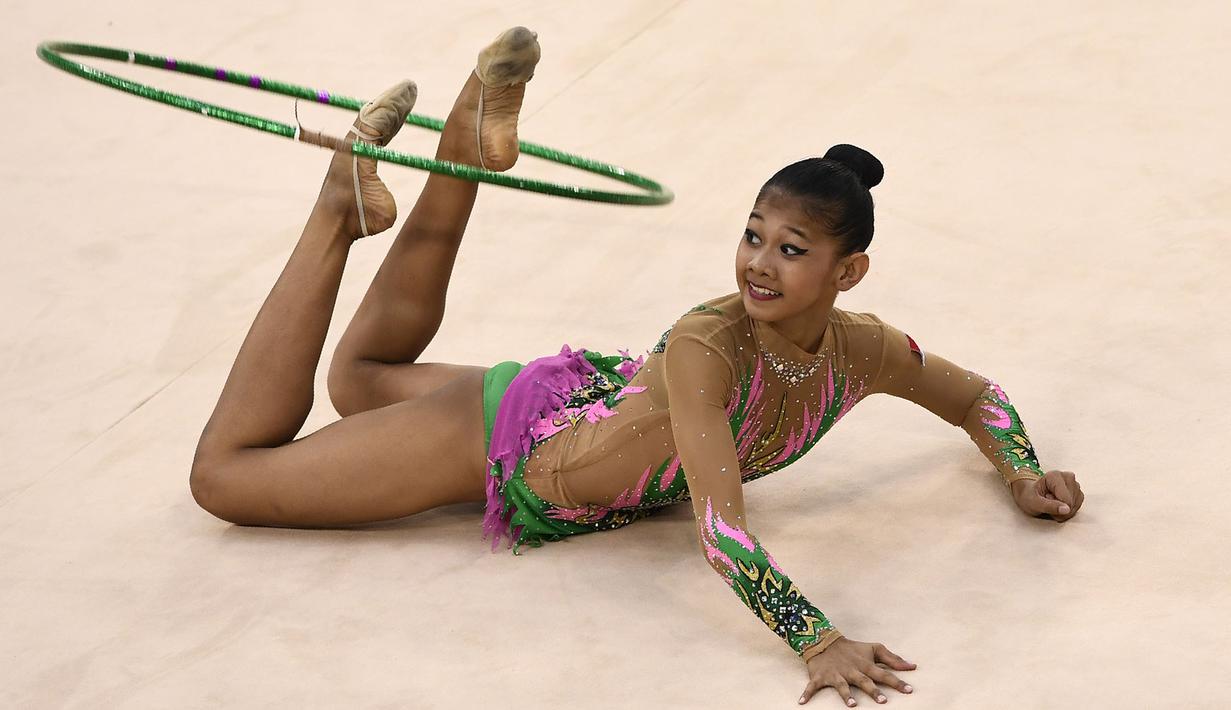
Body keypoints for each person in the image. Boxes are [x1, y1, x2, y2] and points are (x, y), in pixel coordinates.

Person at [188, 27, 1085, 707]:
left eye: (792, 248)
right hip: (507, 440)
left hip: (570, 402)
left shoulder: (867, 348)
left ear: (847, 273)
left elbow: (978, 397)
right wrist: (816, 640)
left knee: (364, 374)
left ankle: (466, 132)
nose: (758, 264)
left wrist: (1019, 470)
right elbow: (719, 529)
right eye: (752, 234)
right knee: (225, 479)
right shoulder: (707, 344)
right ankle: (335, 213)